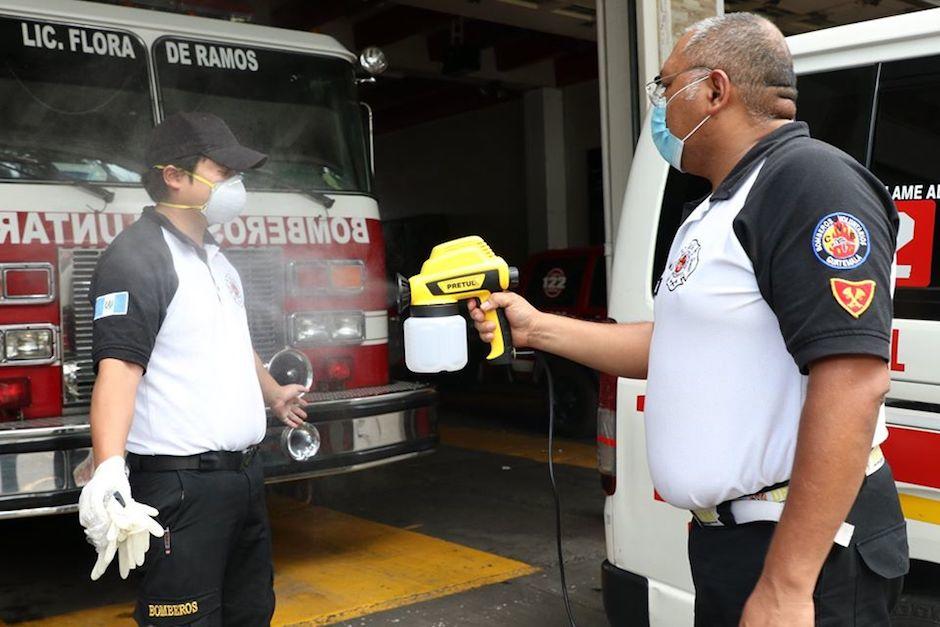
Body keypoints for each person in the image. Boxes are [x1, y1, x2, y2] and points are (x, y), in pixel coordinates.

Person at [470, 13, 907, 627]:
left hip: (803, 553)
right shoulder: (716, 208)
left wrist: (786, 584)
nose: (659, 107)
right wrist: (536, 327)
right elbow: (680, 346)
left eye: (663, 86)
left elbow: (853, 380)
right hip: (733, 545)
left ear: (714, 90)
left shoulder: (806, 182)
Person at [78, 112, 309, 626]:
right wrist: (109, 468)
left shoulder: (215, 259)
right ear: (174, 176)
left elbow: (231, 342)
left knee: (249, 613)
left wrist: (272, 393)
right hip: (181, 488)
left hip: (244, 478)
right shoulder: (136, 256)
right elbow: (118, 367)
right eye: (223, 170)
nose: (236, 185)